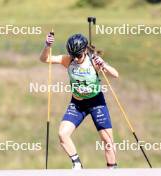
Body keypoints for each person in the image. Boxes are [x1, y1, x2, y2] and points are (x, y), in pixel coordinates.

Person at [40, 32, 119, 169]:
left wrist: (104, 65)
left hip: (96, 102)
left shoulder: (94, 61)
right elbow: (45, 59)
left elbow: (115, 75)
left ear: (84, 51)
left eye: (78, 55)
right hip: (78, 104)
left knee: (107, 141)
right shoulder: (68, 60)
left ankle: (112, 169)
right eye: (73, 55)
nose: (75, 59)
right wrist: (47, 45)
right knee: (62, 134)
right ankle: (77, 165)